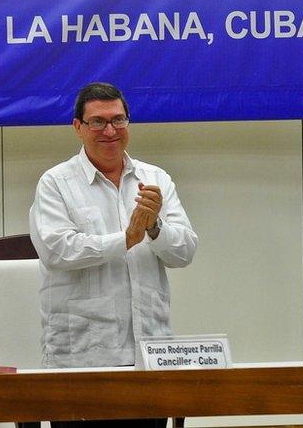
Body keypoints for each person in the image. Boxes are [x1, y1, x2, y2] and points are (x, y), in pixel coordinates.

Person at [29, 82, 197, 425]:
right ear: (78, 127)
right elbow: (57, 249)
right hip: (82, 357)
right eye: (98, 122)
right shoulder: (56, 182)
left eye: (118, 120)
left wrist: (153, 229)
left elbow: (184, 251)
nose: (110, 131)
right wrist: (126, 238)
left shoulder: (155, 178)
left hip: (149, 354)